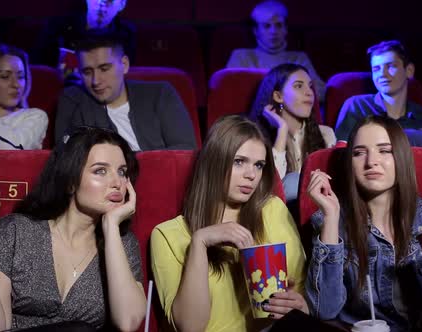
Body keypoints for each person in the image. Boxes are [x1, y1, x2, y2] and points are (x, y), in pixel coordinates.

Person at [306, 115, 422, 332]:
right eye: (359, 153)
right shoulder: (330, 220)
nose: (371, 161)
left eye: (384, 150)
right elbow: (324, 311)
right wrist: (331, 215)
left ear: (400, 157)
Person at [0, 127, 146, 331]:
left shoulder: (122, 243)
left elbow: (128, 322)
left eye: (122, 172)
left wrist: (111, 227)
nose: (117, 183)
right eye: (100, 171)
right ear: (70, 182)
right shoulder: (17, 231)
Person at [150, 115, 307, 332]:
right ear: (214, 161)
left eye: (259, 165)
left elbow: (301, 291)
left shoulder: (272, 210)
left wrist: (300, 306)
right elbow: (190, 327)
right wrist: (200, 242)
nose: (251, 175)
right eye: (239, 161)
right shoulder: (168, 235)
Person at [334, 40, 422, 180]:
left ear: (409, 71)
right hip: (371, 181)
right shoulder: (357, 105)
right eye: (376, 69)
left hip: (417, 187)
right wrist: (420, 135)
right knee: (411, 139)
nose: (383, 74)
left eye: (391, 66)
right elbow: (341, 154)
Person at [55, 28, 197, 151]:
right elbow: (67, 158)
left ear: (124, 64)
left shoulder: (160, 94)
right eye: (87, 72)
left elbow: (185, 151)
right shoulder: (73, 100)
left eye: (104, 69)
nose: (95, 81)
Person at [249, 63, 336, 202]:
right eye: (299, 86)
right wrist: (282, 131)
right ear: (278, 96)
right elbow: (269, 185)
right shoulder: (257, 136)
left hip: (317, 211)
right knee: (292, 181)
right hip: (275, 210)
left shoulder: (326, 134)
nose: (309, 92)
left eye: (310, 86)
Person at [226, 0, 326, 102]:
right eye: (267, 26)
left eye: (278, 25)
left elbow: (320, 91)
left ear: (285, 29)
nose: (273, 31)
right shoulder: (241, 57)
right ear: (256, 31)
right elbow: (232, 92)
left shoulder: (299, 58)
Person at [30, 0, 136, 74]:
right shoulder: (58, 27)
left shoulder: (126, 35)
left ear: (122, 4)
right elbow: (38, 69)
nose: (101, 3)